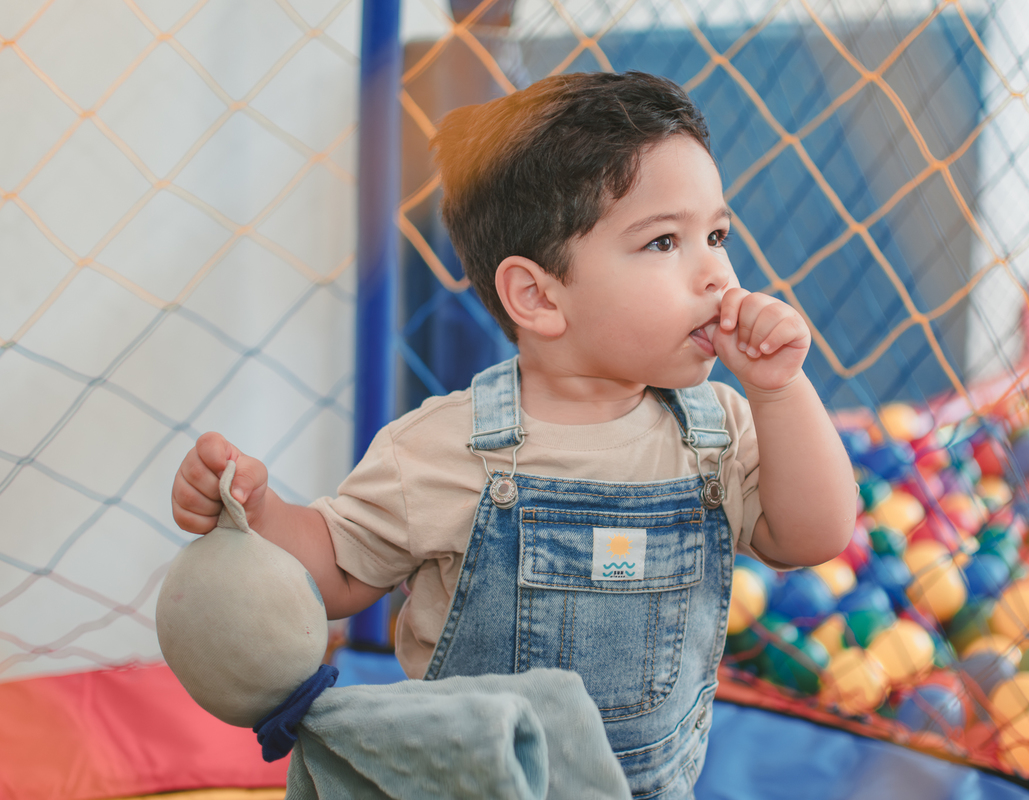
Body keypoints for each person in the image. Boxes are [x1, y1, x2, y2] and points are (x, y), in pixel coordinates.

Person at [170, 71, 857, 798]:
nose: (717, 273)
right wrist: (258, 512)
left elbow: (812, 535)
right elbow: (336, 573)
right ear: (537, 296)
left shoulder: (718, 429)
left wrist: (779, 389)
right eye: (663, 242)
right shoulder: (442, 448)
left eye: (716, 234)